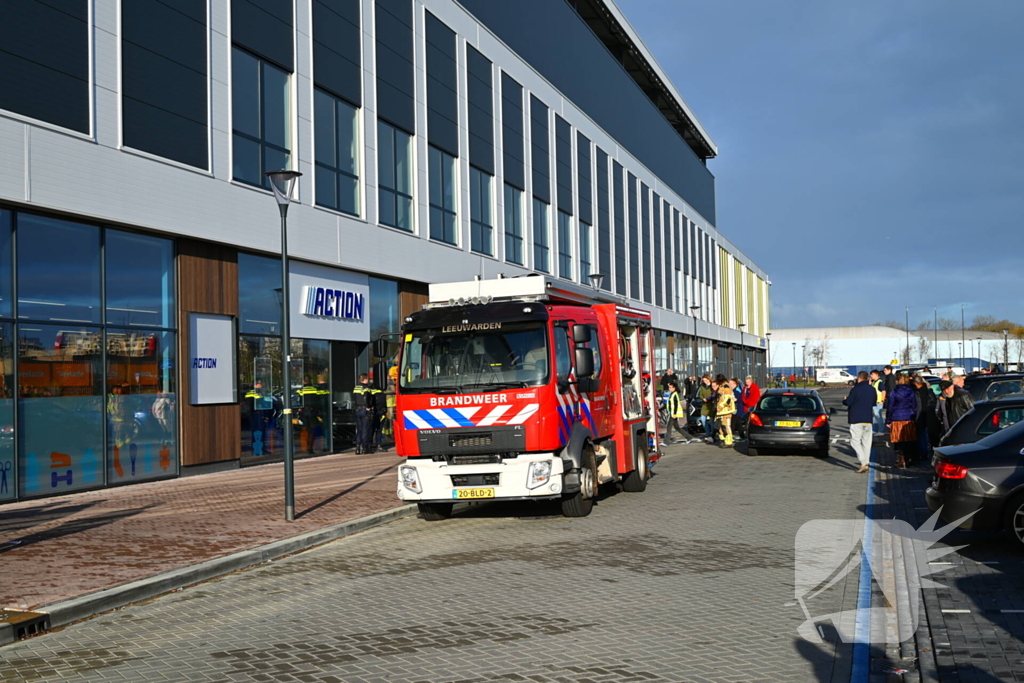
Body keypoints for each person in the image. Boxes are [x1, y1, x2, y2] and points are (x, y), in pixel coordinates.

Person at [843, 371, 875, 473]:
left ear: (859, 379)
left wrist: (845, 399)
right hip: (868, 419)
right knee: (867, 442)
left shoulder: (855, 389)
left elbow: (849, 402)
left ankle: (863, 462)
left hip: (856, 419)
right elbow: (873, 402)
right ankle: (867, 461)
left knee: (855, 441)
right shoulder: (872, 389)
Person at [886, 374, 920, 467]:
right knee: (908, 440)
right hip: (909, 417)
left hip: (896, 418)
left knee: (899, 440)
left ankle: (901, 461)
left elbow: (890, 407)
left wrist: (888, 420)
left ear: (897, 381)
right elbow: (914, 405)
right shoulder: (911, 391)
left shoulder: (894, 392)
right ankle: (908, 459)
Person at [913, 375, 939, 460]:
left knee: (921, 434)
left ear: (916, 383)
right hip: (929, 414)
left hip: (921, 415)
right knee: (928, 434)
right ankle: (928, 451)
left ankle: (923, 452)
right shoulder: (929, 391)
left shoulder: (917, 392)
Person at [352, 373, 377, 455]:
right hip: (364, 410)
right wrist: (368, 406)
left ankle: (358, 447)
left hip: (357, 410)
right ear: (365, 379)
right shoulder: (366, 388)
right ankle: (364, 447)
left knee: (359, 430)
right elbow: (367, 397)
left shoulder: (356, 387)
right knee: (365, 429)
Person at [716, 381, 737, 448]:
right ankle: (724, 440)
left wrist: (720, 407)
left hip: (726, 413)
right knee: (722, 426)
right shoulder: (723, 395)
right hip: (722, 413)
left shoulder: (727, 395)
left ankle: (729, 442)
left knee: (727, 427)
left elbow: (726, 402)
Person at [697, 375, 714, 440]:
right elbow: (700, 394)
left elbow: (715, 394)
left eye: (706, 380)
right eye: (704, 380)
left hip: (711, 405)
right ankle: (708, 433)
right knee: (703, 420)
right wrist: (703, 398)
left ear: (709, 379)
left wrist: (710, 399)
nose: (705, 382)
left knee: (712, 421)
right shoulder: (702, 386)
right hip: (704, 405)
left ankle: (713, 434)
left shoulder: (712, 386)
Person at [869, 370, 885, 434]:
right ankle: (875, 430)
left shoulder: (880, 382)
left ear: (876, 374)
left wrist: (882, 400)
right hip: (874, 402)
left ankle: (881, 430)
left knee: (878, 416)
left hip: (878, 402)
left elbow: (883, 391)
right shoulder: (874, 382)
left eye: (872, 374)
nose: (871, 376)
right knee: (874, 417)